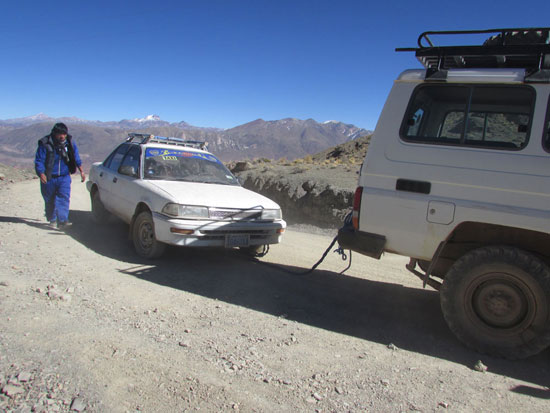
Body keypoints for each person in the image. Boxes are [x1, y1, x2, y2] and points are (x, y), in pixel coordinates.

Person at [34, 122, 86, 229]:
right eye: (60, 134)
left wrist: (81, 171)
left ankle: (62, 220)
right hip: (49, 177)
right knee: (49, 200)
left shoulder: (69, 143)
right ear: (54, 133)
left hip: (64, 176)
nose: (62, 136)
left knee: (64, 197)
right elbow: (39, 160)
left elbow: (76, 157)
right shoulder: (45, 144)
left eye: (64, 134)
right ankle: (52, 219)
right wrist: (41, 173)